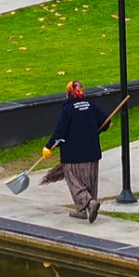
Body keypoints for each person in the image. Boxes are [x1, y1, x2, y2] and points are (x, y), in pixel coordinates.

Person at [43, 80, 110, 222]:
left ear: (68, 93)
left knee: (74, 181)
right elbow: (106, 122)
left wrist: (48, 146)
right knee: (90, 181)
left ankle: (89, 203)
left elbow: (60, 132)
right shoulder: (92, 106)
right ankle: (82, 210)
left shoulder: (67, 110)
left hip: (73, 155)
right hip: (92, 153)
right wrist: (96, 129)